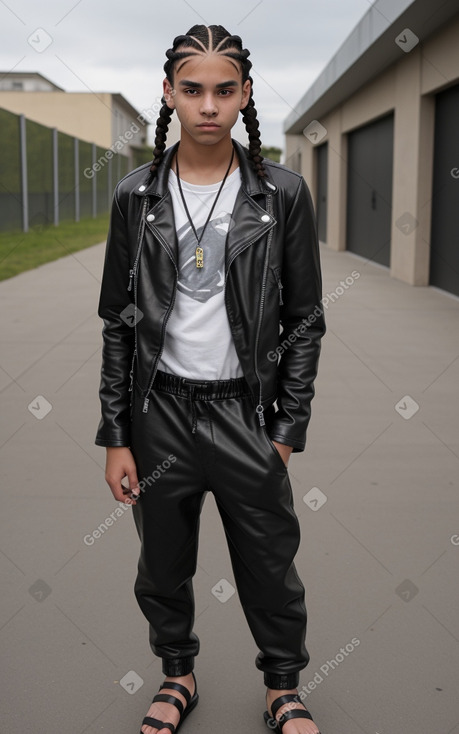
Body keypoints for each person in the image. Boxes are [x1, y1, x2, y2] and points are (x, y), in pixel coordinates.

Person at [95, 23, 326, 734]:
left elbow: (304, 320)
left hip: (243, 418)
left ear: (245, 95)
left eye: (224, 91)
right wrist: (116, 434)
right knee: (161, 567)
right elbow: (117, 322)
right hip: (159, 412)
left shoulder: (280, 194)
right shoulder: (137, 196)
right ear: (168, 93)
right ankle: (176, 675)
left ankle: (281, 688)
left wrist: (283, 432)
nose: (207, 105)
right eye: (191, 90)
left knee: (268, 565)